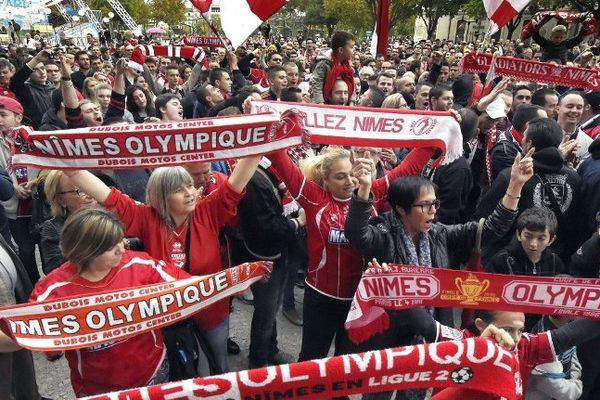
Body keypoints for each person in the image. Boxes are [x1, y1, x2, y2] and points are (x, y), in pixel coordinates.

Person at [60, 154, 261, 374]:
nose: (189, 193)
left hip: (211, 310)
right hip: (169, 315)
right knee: (186, 370)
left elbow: (235, 185)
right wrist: (70, 169)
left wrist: (260, 146)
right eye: (178, 189)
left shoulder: (208, 210)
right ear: (161, 197)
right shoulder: (147, 218)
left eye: (189, 186)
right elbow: (109, 198)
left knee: (219, 363)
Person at [266, 142, 435, 367]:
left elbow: (407, 168)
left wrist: (436, 135)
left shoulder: (369, 192)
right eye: (340, 177)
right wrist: (264, 124)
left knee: (346, 364)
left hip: (359, 300)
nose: (349, 182)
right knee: (310, 360)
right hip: (321, 298)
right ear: (325, 180)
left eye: (352, 174)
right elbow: (280, 160)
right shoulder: (314, 197)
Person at [0, 207, 190, 397]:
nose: (122, 249)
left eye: (121, 240)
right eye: (111, 246)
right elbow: (23, 334)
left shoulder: (141, 265)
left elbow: (192, 289)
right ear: (86, 251)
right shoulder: (53, 291)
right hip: (96, 389)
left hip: (154, 374)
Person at [39, 170, 97, 274]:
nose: (90, 194)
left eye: (91, 187)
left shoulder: (112, 214)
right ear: (61, 200)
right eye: (80, 191)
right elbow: (53, 270)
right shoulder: (53, 228)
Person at [487, 207, 564, 276]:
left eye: (541, 238)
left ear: (551, 240)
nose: (533, 244)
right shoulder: (502, 260)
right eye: (528, 236)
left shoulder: (554, 262)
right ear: (519, 234)